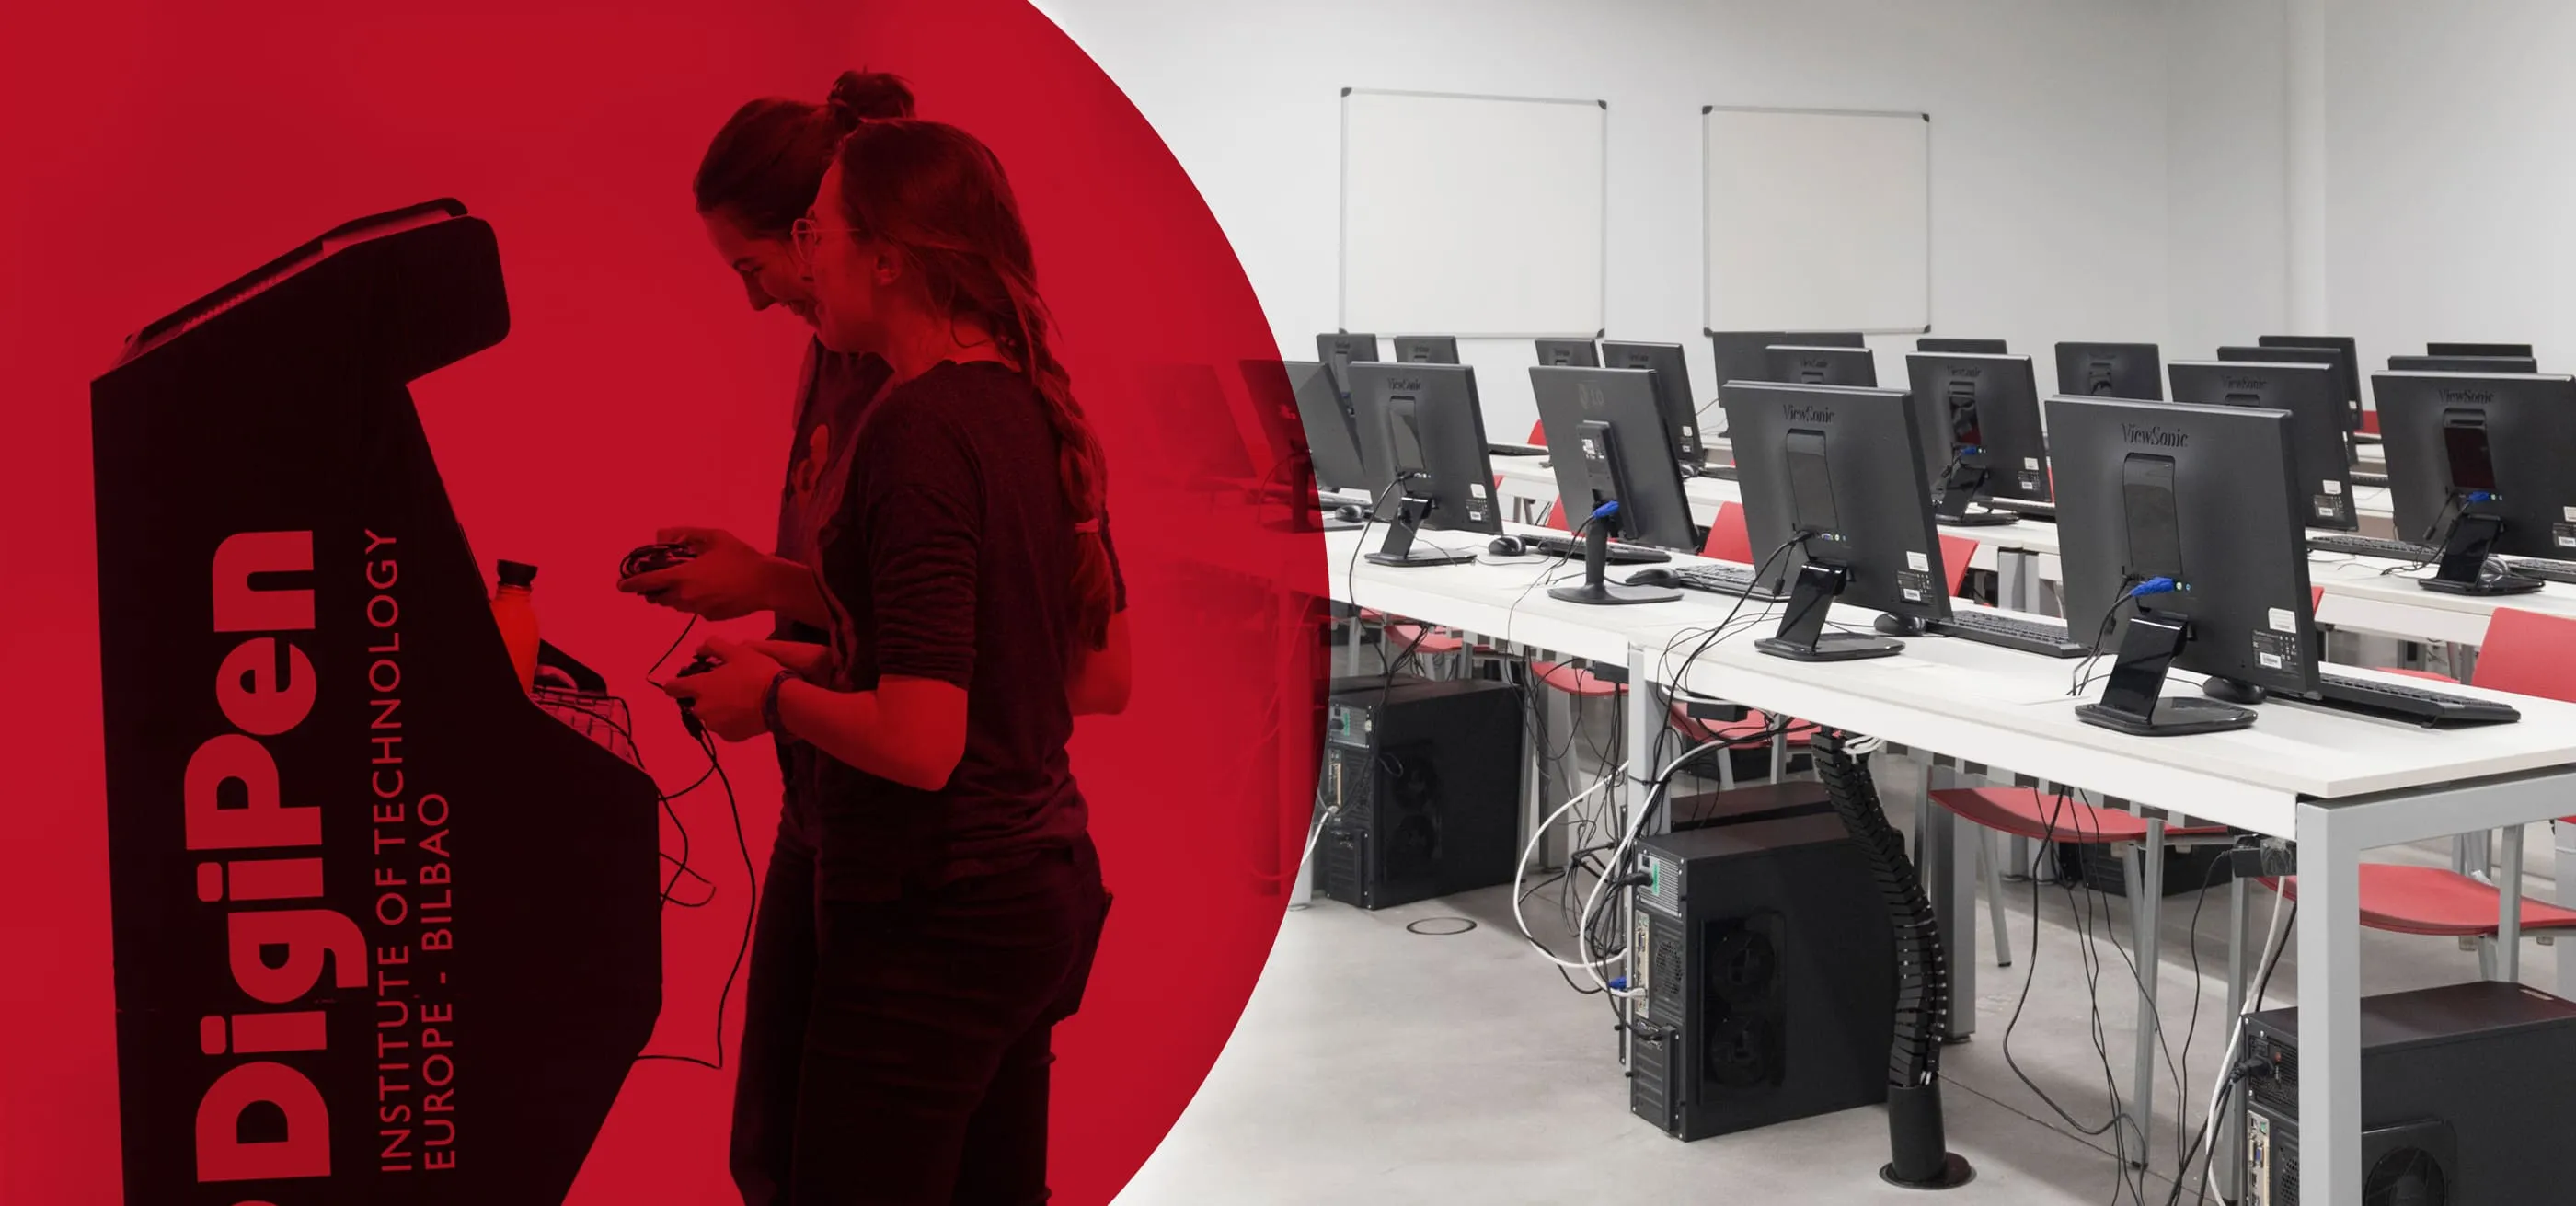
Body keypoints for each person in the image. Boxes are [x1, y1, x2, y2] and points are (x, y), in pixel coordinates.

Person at [665, 116, 1131, 1204]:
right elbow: (1084, 675)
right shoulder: (1026, 408)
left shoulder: (913, 430)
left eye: (814, 234)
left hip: (934, 913)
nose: (804, 259)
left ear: (885, 255)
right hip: (1035, 890)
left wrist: (769, 695)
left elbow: (922, 744)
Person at [615, 69, 923, 1205]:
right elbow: (872, 596)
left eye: (753, 270)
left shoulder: (920, 396)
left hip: (881, 823)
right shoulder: (837, 357)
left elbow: (939, 657)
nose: (752, 301)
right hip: (826, 797)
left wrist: (780, 665)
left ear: (815, 238)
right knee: (774, 1156)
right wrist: (764, 587)